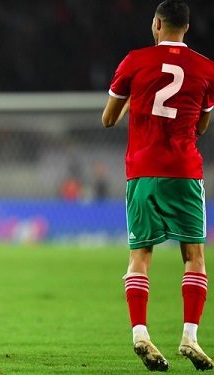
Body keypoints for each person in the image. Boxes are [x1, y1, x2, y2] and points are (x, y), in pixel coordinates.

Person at [102, 0, 214, 371]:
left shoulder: (134, 61)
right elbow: (200, 126)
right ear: (186, 27)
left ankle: (140, 333)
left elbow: (107, 119)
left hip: (143, 170)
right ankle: (189, 337)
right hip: (184, 171)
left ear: (156, 24)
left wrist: (139, 102)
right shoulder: (206, 69)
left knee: (140, 257)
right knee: (194, 257)